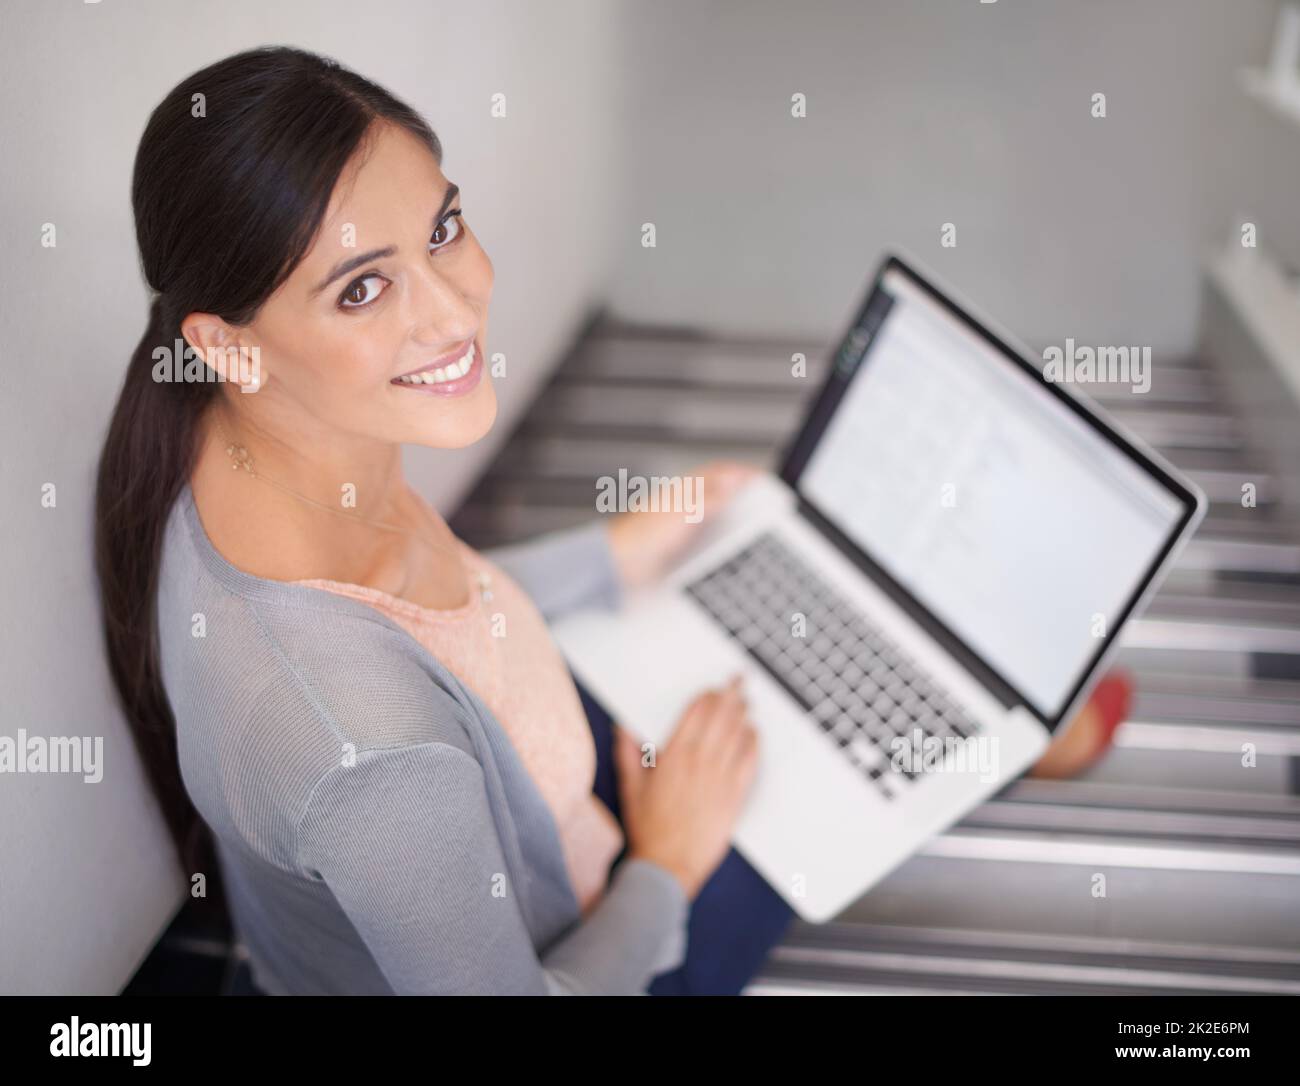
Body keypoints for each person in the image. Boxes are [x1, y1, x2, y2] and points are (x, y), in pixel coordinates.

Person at [95, 46, 1129, 997]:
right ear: (226, 345)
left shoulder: (233, 453)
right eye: (363, 290)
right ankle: (994, 735)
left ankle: (945, 709)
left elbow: (435, 624)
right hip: (587, 956)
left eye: (443, 230)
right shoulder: (375, 761)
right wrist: (667, 864)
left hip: (513, 812)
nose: (455, 313)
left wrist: (614, 553)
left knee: (731, 661)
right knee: (785, 781)